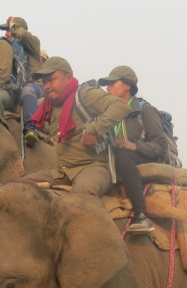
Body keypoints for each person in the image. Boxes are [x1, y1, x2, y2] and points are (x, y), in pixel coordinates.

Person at [22, 57, 130, 198]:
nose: (47, 86)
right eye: (44, 82)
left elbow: (121, 106)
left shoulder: (85, 94)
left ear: (69, 77)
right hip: (62, 171)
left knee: (80, 197)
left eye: (51, 80)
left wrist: (93, 129)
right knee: (17, 188)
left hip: (93, 167)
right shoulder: (48, 105)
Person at [98, 65, 166, 233]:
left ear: (127, 86)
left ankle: (141, 215)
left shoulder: (144, 110)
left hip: (143, 155)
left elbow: (161, 146)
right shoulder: (109, 114)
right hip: (118, 158)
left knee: (123, 155)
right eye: (107, 84)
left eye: (113, 83)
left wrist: (134, 146)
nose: (108, 87)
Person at [0, 16, 44, 145]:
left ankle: (31, 128)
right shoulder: (7, 49)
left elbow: (23, 35)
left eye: (9, 30)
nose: (6, 33)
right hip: (13, 87)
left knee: (27, 90)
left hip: (33, 85)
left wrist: (13, 24)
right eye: (7, 30)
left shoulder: (32, 42)